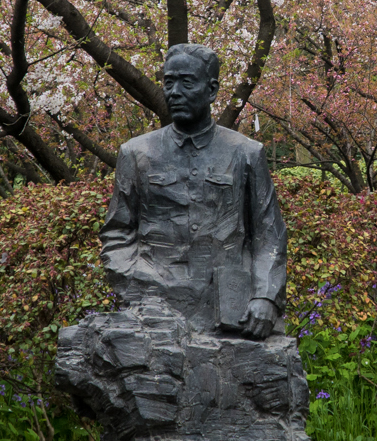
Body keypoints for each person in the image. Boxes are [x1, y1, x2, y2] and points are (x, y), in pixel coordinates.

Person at [98, 43, 288, 338]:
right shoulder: (136, 153)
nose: (174, 92)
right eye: (168, 82)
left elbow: (269, 234)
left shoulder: (247, 154)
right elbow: (117, 232)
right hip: (153, 305)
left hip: (230, 308)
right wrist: (136, 284)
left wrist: (265, 296)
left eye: (186, 82)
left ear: (211, 90)